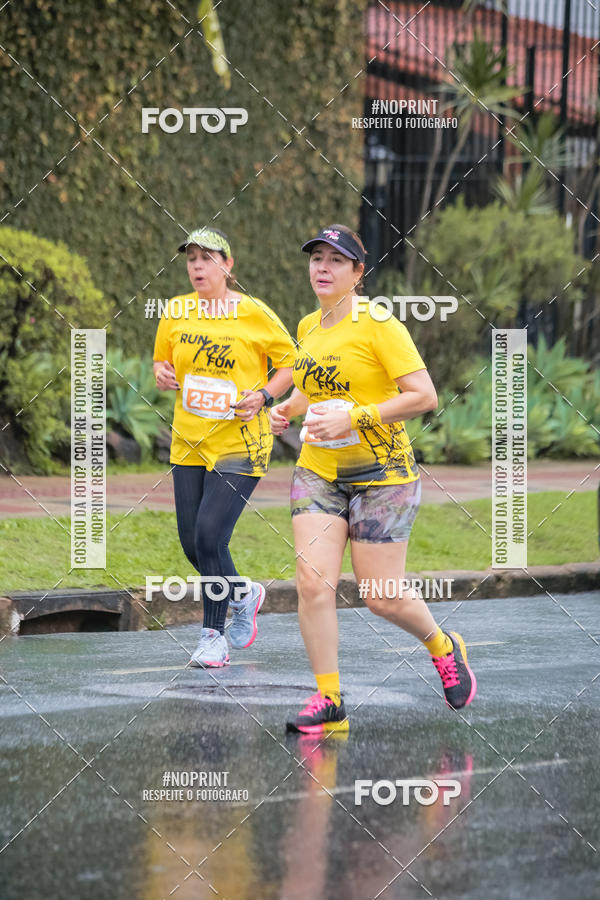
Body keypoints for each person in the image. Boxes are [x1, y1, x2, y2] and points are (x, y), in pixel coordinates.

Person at [269, 224, 476, 733]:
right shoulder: (308, 327)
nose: (322, 267)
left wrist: (356, 418)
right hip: (319, 471)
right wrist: (287, 410)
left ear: (358, 273)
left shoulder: (380, 324)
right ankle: (329, 698)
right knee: (312, 583)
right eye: (316, 257)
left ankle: (443, 646)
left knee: (379, 593)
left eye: (335, 260)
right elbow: (312, 389)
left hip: (384, 475)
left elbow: (423, 396)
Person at [154, 226, 294, 667]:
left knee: (211, 534)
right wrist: (161, 372)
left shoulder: (254, 313)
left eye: (207, 257)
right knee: (193, 545)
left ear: (228, 266)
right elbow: (162, 358)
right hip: (188, 441)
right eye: (191, 259)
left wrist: (265, 396)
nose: (197, 266)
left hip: (241, 440)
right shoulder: (175, 310)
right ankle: (244, 593)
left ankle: (213, 637)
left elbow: (292, 363)